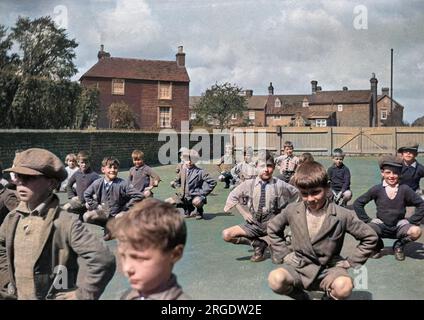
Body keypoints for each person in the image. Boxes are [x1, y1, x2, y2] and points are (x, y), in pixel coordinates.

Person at [0, 148, 116, 300]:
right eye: (18, 176)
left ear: (51, 183)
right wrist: (7, 280)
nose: (20, 182)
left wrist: (82, 294)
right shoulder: (12, 218)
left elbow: (103, 258)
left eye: (29, 177)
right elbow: (1, 247)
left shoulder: (65, 221)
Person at [267, 161, 378, 300]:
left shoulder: (342, 214)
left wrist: (350, 262)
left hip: (328, 269)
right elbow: (272, 229)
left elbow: (370, 237)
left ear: (327, 188)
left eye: (315, 192)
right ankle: (302, 297)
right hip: (300, 266)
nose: (310, 199)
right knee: (275, 279)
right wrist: (285, 254)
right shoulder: (291, 210)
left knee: (344, 286)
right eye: (304, 194)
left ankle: (328, 297)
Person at [222, 151, 300, 262]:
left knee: (278, 260)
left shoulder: (280, 184)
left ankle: (275, 245)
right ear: (256, 167)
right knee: (227, 235)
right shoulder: (249, 184)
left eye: (269, 166)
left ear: (274, 167)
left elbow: (297, 194)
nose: (266, 169)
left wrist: (286, 213)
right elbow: (233, 196)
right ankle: (258, 245)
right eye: (262, 166)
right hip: (254, 224)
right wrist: (244, 213)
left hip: (273, 227)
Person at [109, 198, 190, 300]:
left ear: (175, 254)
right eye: (123, 257)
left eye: (139, 258)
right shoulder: (127, 296)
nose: (127, 269)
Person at [353, 154, 424, 261]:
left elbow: (421, 204)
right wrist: (367, 220)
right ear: (382, 173)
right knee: (363, 230)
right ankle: (377, 245)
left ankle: (399, 246)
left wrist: (412, 220)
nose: (391, 176)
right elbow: (358, 203)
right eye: (388, 172)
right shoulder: (377, 189)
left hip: (399, 226)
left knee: (416, 231)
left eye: (395, 173)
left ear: (400, 174)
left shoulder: (405, 189)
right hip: (381, 225)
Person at [83, 157, 144, 239]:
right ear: (103, 169)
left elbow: (139, 195)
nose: (113, 170)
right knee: (87, 216)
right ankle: (106, 225)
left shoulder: (122, 184)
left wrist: (126, 207)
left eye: (115, 168)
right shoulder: (97, 183)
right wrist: (96, 206)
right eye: (110, 167)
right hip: (105, 213)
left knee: (109, 236)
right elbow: (87, 194)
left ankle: (122, 227)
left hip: (118, 214)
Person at [166, 149, 217, 220]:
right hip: (183, 196)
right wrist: (174, 183)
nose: (189, 162)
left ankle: (199, 210)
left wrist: (202, 193)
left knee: (197, 201)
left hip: (195, 196)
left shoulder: (200, 172)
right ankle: (188, 208)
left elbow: (213, 182)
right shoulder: (182, 170)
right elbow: (178, 181)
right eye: (187, 159)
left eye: (192, 160)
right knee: (167, 202)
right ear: (183, 159)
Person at [63, 151, 100, 217]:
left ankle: (87, 213)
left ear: (90, 163)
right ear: (78, 162)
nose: (84, 165)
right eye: (82, 162)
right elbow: (69, 185)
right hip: (79, 201)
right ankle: (81, 211)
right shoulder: (77, 173)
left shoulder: (94, 175)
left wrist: (95, 197)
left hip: (89, 202)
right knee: (66, 208)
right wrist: (72, 196)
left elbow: (101, 187)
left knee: (86, 217)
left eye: (86, 162)